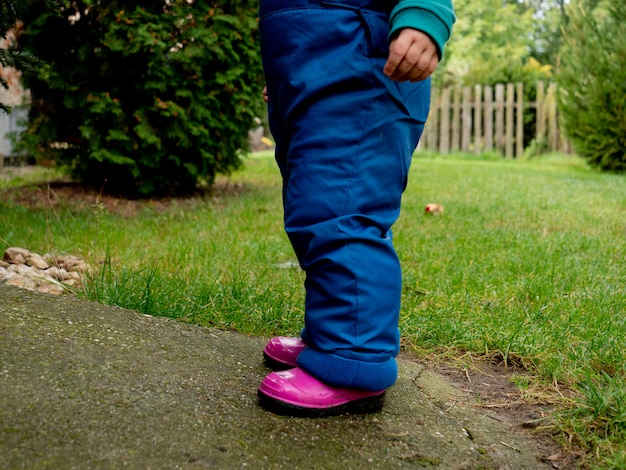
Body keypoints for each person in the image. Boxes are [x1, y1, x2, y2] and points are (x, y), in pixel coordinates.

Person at [257, 0, 455, 417]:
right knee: (312, 206)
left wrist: (424, 15)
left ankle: (351, 359)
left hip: (362, 62)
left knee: (342, 211)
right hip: (307, 66)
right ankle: (329, 335)